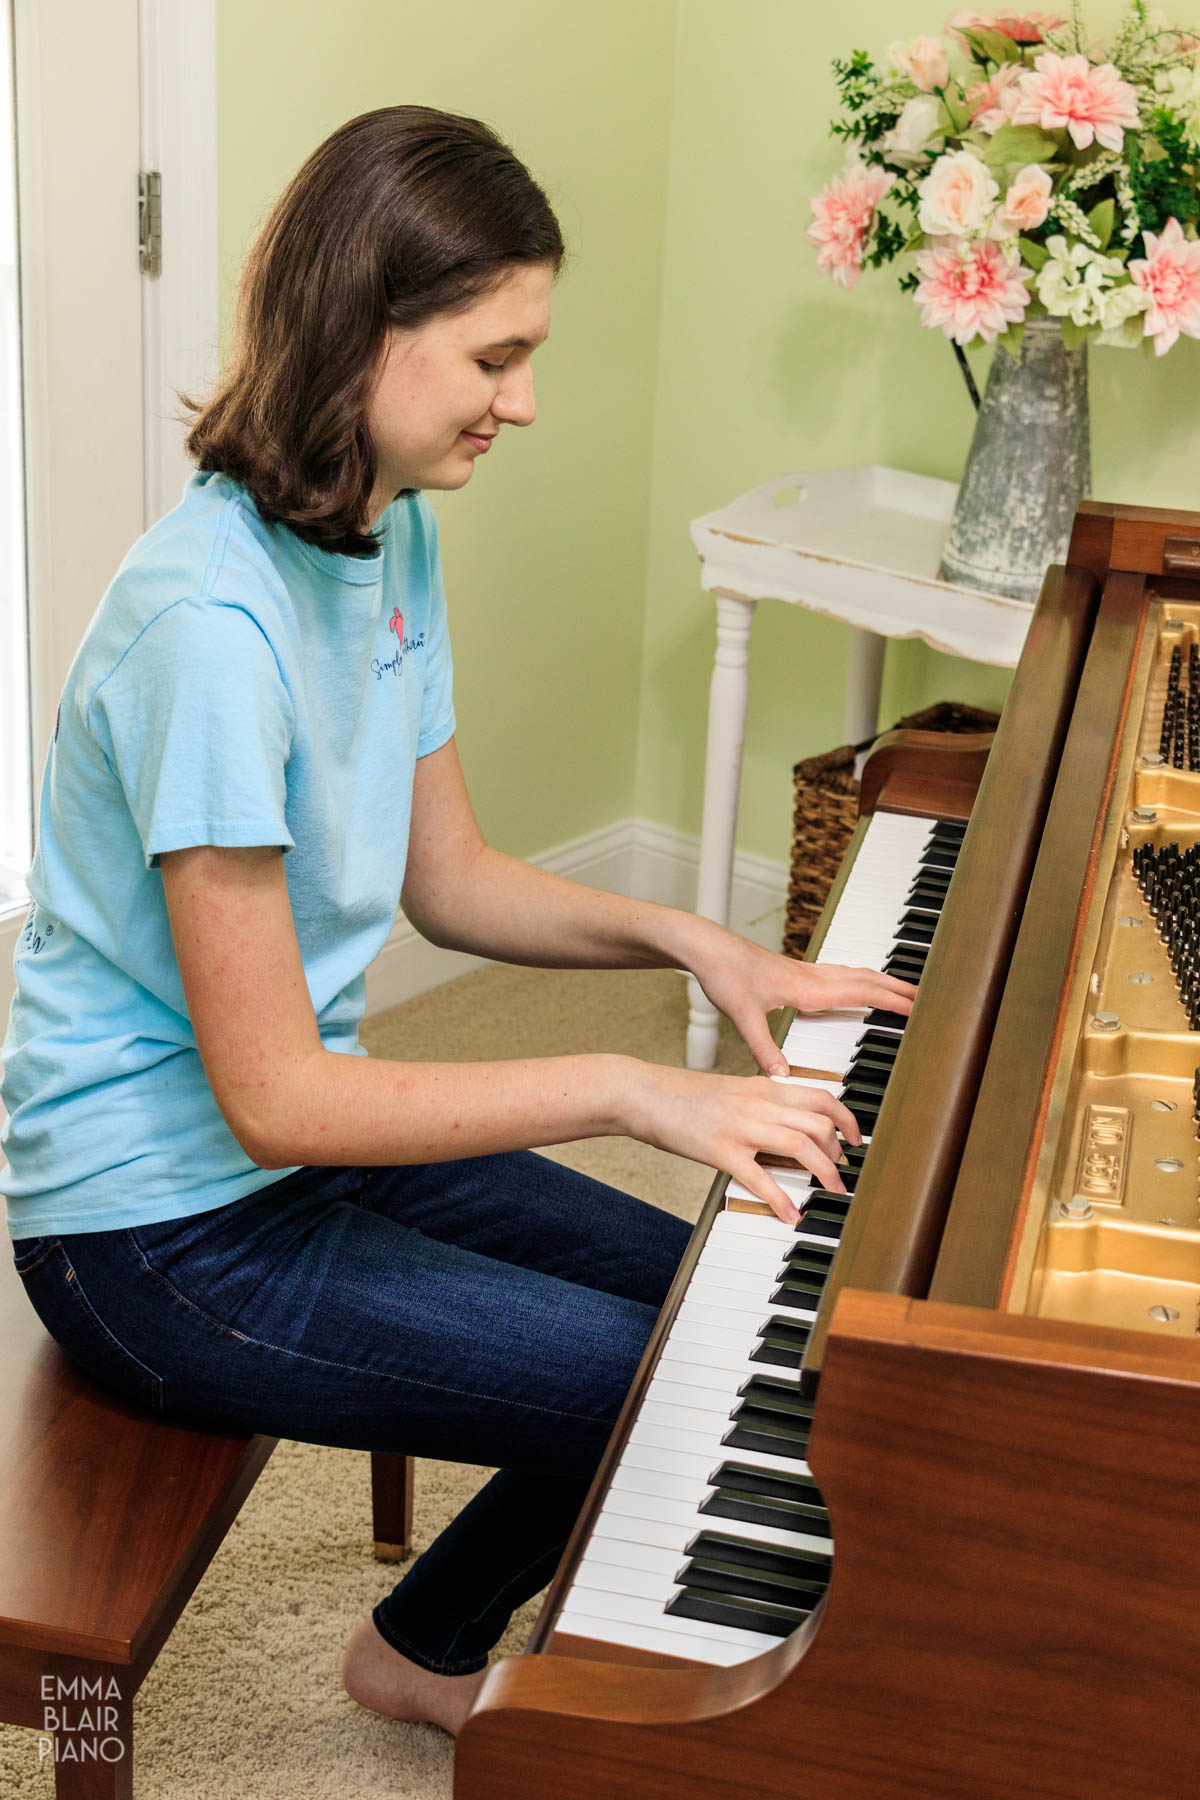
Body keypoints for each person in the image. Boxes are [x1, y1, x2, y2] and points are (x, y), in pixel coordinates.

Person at [0, 106, 913, 1738]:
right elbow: (274, 1096)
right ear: (363, 331)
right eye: (495, 355)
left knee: (722, 1306)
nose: (527, 400)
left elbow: (451, 879)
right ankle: (438, 1656)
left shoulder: (385, 528)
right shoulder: (204, 633)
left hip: (293, 1156)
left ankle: (421, 1635)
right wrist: (637, 1085)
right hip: (153, 1234)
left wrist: (698, 944)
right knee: (676, 1385)